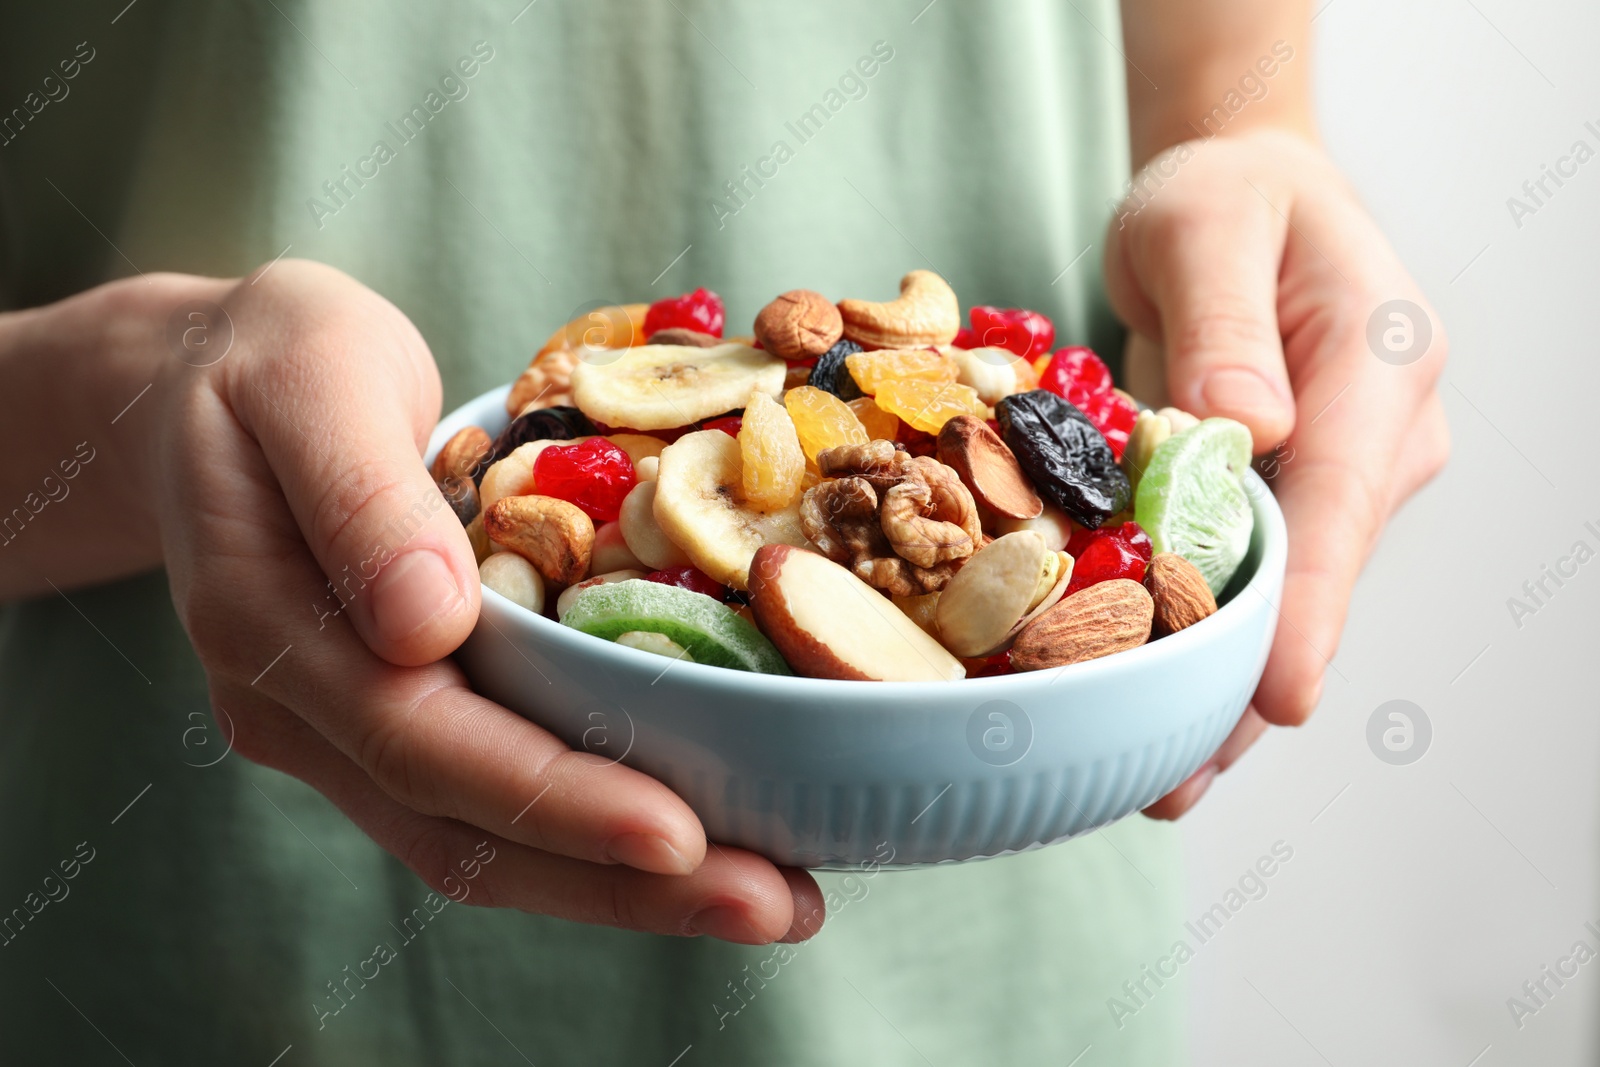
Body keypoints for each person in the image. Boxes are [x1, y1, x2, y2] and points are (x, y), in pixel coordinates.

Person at [0, 1, 1446, 1063]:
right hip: (220, 934)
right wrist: (124, 400)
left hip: (1011, 898)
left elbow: (1226, 109)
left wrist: (1255, 186)